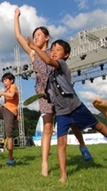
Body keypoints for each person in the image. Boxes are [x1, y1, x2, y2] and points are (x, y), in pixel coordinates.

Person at [14, 8, 91, 176]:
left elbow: (63, 69)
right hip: (43, 94)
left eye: (39, 35)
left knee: (73, 122)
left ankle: (82, 145)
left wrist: (68, 83)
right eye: (34, 36)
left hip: (61, 93)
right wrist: (16, 17)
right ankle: (44, 164)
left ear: (47, 37)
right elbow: (18, 36)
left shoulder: (54, 53)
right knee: (48, 127)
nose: (35, 37)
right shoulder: (33, 53)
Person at [27, 38, 107, 182]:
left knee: (99, 126)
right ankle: (63, 175)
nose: (54, 52)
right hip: (62, 113)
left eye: (58, 50)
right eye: (52, 50)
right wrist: (46, 94)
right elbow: (52, 97)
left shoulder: (62, 65)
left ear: (66, 55)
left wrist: (33, 46)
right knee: (61, 143)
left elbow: (48, 61)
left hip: (76, 107)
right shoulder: (49, 79)